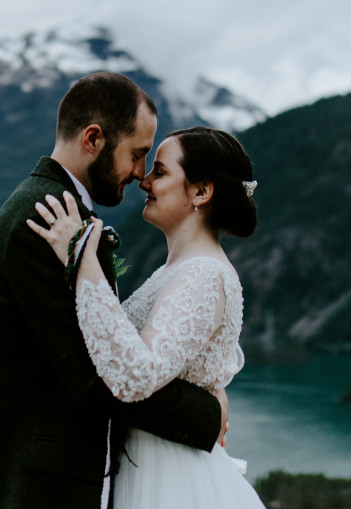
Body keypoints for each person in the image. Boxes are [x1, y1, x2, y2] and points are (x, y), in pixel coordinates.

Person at [0, 72, 225, 509]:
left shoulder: (58, 210)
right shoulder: (44, 218)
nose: (140, 175)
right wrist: (207, 414)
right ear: (93, 138)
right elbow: (95, 376)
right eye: (137, 155)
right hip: (17, 487)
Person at [28, 125, 264, 509]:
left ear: (201, 191)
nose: (144, 180)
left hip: (173, 481)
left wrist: (80, 256)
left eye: (160, 171)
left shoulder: (203, 273)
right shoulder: (179, 270)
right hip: (151, 465)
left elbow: (135, 375)